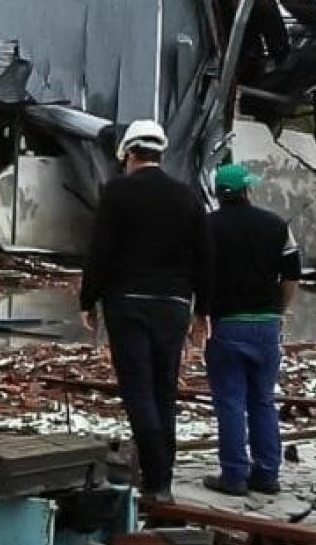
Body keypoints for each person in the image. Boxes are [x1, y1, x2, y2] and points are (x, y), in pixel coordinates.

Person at [79, 119, 213, 503]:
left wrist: (88, 300)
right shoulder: (187, 197)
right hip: (173, 306)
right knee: (163, 389)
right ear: (160, 152)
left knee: (138, 389)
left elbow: (100, 249)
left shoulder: (117, 193)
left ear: (129, 155)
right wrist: (202, 310)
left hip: (127, 302)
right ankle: (161, 477)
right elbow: (206, 256)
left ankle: (156, 479)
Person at [201, 163, 301, 496]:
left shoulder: (207, 226)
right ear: (246, 191)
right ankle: (267, 473)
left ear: (219, 194)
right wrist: (278, 311)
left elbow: (195, 276)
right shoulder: (276, 225)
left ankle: (234, 475)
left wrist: (198, 316)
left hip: (227, 324)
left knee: (230, 401)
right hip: (266, 326)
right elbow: (291, 276)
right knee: (262, 400)